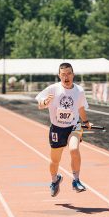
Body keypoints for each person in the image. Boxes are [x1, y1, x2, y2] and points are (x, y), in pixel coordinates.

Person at [35, 62, 92, 197]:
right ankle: (55, 180)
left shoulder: (79, 91)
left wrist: (86, 122)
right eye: (63, 74)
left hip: (73, 126)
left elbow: (81, 108)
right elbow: (40, 105)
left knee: (74, 149)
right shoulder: (53, 89)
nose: (66, 77)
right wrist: (44, 103)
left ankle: (76, 180)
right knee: (55, 160)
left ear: (73, 74)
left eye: (69, 74)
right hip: (57, 128)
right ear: (59, 76)